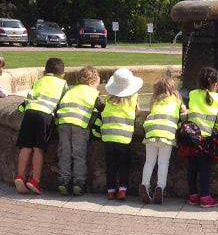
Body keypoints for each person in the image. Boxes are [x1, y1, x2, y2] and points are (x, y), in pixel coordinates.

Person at [14, 57, 68, 194]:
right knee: (38, 148)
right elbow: (63, 102)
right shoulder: (62, 84)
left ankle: (20, 175)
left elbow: (30, 97)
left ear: (45, 72)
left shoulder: (39, 81)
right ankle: (35, 181)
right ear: (62, 74)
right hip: (45, 115)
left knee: (26, 146)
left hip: (30, 112)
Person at [56, 65, 104, 196]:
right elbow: (101, 108)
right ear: (91, 81)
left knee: (64, 152)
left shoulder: (71, 90)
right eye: (97, 84)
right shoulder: (93, 93)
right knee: (79, 154)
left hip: (63, 122)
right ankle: (79, 182)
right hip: (80, 124)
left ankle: (64, 181)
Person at [140, 77, 187, 204]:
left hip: (151, 132)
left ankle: (145, 184)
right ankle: (160, 186)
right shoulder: (176, 100)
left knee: (149, 161)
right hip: (167, 133)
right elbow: (184, 110)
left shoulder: (155, 100)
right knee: (163, 162)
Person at [186, 67, 218, 208]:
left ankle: (193, 195)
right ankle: (205, 197)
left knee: (192, 168)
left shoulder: (192, 94)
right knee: (204, 169)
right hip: (206, 140)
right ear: (215, 84)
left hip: (192, 137)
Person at [101, 68, 143, 200]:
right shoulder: (133, 98)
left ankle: (110, 190)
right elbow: (138, 112)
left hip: (108, 136)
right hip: (124, 137)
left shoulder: (107, 99)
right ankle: (123, 190)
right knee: (124, 164)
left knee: (110, 164)